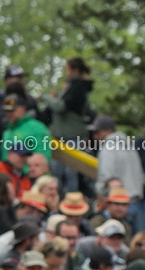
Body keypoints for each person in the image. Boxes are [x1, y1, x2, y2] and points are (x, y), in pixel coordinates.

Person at [44, 57, 94, 194]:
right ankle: (57, 197)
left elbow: (61, 107)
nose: (66, 73)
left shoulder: (78, 88)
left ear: (75, 70)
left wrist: (46, 98)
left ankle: (71, 199)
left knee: (71, 171)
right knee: (56, 170)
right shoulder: (72, 87)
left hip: (72, 137)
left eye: (67, 69)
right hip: (60, 136)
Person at [91, 115, 145, 203]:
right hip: (136, 200)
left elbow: (107, 178)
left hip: (119, 202)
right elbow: (142, 177)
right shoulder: (129, 147)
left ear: (109, 131)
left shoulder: (107, 148)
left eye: (98, 132)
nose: (95, 136)